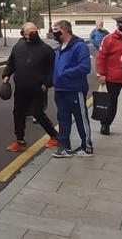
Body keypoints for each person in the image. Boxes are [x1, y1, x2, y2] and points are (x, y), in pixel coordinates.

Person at [2, 24, 60, 152]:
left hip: (38, 88)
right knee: (18, 113)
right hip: (21, 88)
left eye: (36, 31)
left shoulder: (46, 49)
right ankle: (20, 141)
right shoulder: (18, 46)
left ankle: (55, 137)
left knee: (38, 113)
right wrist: (6, 74)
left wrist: (47, 83)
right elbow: (11, 62)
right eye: (31, 32)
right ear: (24, 34)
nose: (34, 33)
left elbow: (53, 69)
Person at [50, 21, 93, 158]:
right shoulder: (59, 48)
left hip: (75, 89)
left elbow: (85, 67)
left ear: (63, 30)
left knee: (81, 117)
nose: (53, 33)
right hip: (60, 89)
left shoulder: (79, 47)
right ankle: (65, 147)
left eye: (55, 30)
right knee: (62, 119)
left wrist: (65, 72)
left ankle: (87, 147)